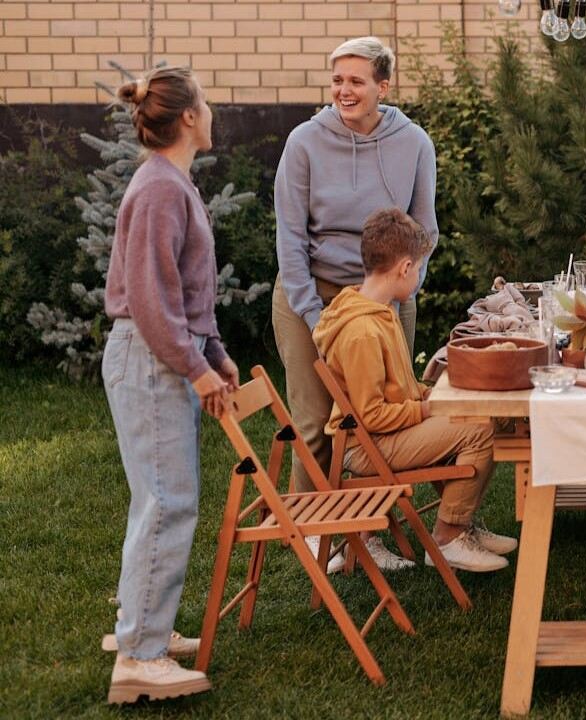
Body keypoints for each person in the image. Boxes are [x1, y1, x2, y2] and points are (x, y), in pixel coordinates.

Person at [101, 67, 238, 704]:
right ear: (187, 117)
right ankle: (139, 658)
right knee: (167, 500)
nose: (210, 113)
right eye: (204, 104)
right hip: (150, 356)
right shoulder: (159, 188)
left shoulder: (171, 183)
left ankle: (143, 627)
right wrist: (198, 368)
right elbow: (153, 303)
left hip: (160, 352)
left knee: (157, 497)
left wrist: (214, 350)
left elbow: (185, 292)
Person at [273, 37, 438, 507]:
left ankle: (373, 529)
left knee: (385, 413)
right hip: (311, 290)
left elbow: (424, 230)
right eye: (337, 81)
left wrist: (403, 290)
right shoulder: (304, 142)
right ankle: (312, 528)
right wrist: (312, 313)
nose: (344, 91)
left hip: (386, 294)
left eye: (356, 81)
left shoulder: (414, 143)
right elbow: (289, 237)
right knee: (314, 421)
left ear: (382, 86)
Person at [312, 208, 515, 573]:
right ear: (404, 268)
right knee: (479, 428)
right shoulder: (361, 332)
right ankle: (448, 537)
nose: (419, 275)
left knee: (489, 414)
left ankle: (463, 525)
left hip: (388, 432)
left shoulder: (380, 310)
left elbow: (398, 387)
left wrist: (431, 393)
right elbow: (370, 415)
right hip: (365, 447)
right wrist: (427, 410)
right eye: (419, 267)